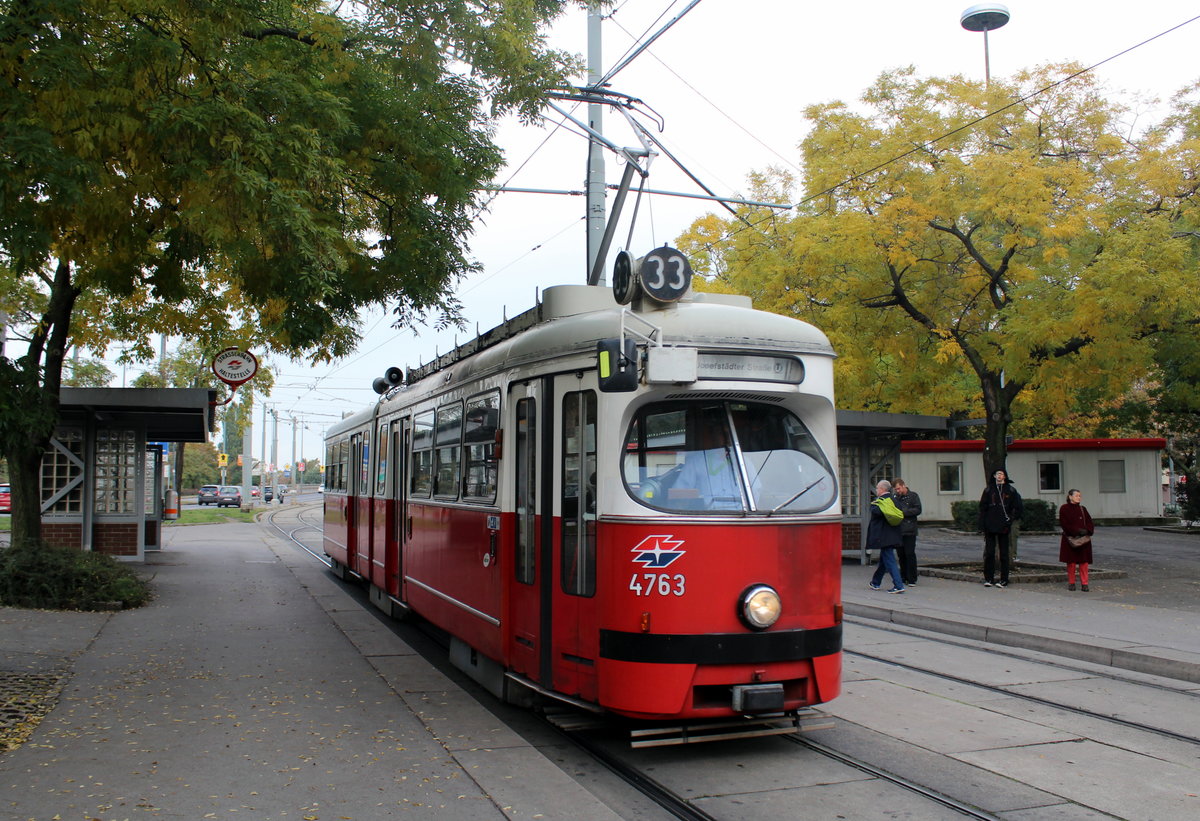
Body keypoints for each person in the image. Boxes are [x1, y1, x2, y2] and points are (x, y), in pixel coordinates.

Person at [977, 469, 1023, 588]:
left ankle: (1004, 579)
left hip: (1004, 526)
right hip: (990, 525)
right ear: (994, 476)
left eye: (1002, 474)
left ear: (1005, 476)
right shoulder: (989, 490)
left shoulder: (1011, 490)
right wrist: (983, 524)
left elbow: (1017, 507)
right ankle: (988, 578)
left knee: (1004, 554)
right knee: (990, 553)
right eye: (998, 474)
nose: (1000, 476)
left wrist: (1010, 519)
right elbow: (983, 507)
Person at [868, 479, 906, 593]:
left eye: (877, 488)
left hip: (883, 536)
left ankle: (899, 585)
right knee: (884, 560)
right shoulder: (895, 500)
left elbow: (875, 512)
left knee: (889, 560)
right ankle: (875, 582)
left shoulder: (879, 502)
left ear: (882, 489)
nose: (876, 490)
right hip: (894, 534)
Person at [1059, 488, 1095, 591]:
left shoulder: (1083, 509)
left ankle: (1085, 584)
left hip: (1083, 540)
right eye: (1076, 495)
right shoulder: (1064, 508)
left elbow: (1089, 522)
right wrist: (1077, 531)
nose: (1079, 497)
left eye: (1080, 496)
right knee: (1071, 562)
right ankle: (1071, 583)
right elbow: (1064, 524)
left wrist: (1088, 531)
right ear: (1070, 496)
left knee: (1084, 562)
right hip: (1070, 539)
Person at [893, 478, 922, 586]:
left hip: (909, 530)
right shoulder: (896, 497)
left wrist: (903, 513)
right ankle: (903, 576)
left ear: (903, 485)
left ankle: (912, 578)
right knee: (901, 555)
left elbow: (918, 509)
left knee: (909, 553)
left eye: (899, 488)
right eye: (896, 489)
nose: (898, 491)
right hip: (899, 529)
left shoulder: (913, 496)